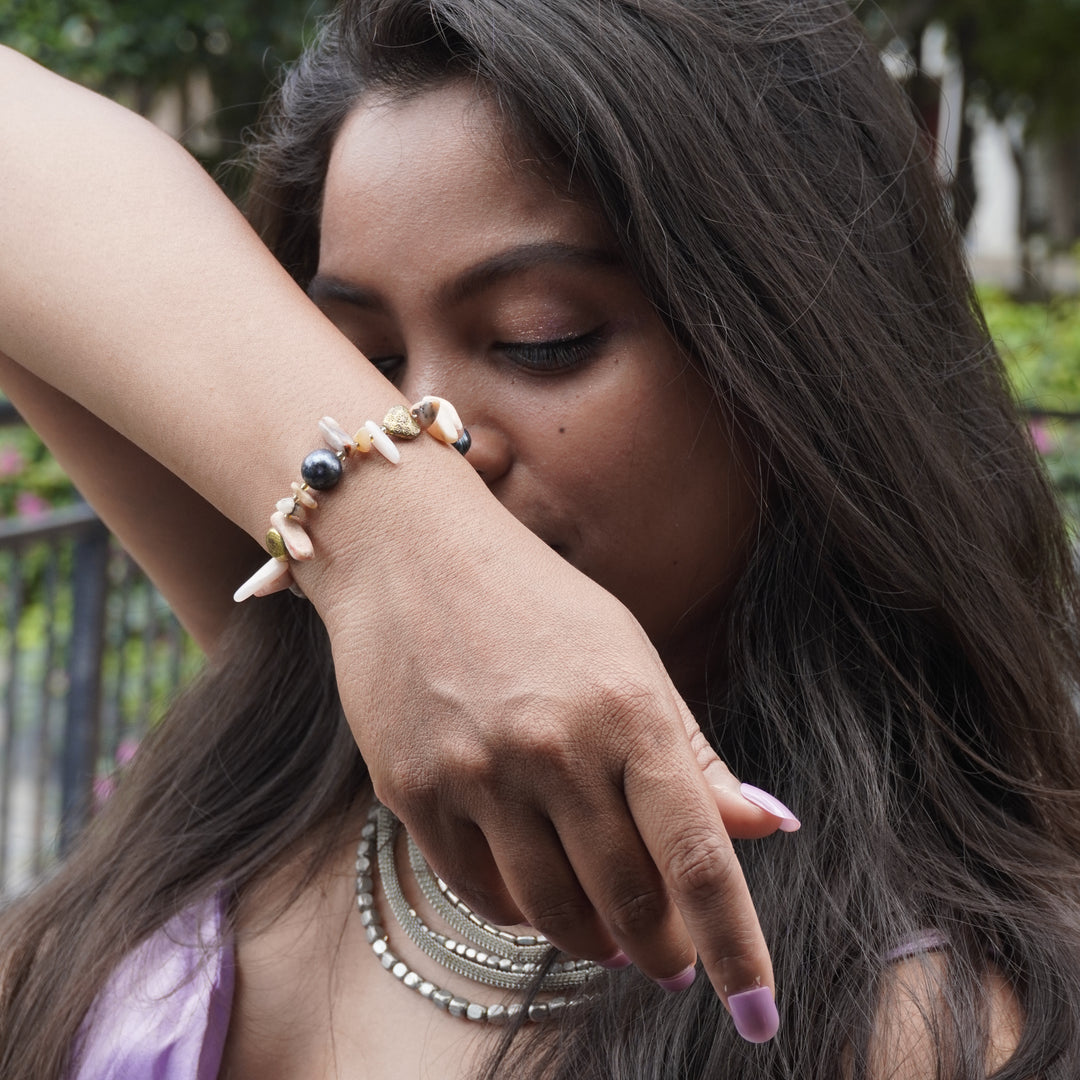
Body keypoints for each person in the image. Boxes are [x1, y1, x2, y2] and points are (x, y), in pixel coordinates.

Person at [2, 0, 1080, 1076]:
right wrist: (388, 526)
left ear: (797, 363)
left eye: (540, 341)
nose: (433, 439)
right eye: (361, 365)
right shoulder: (300, 711)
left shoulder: (942, 1018)